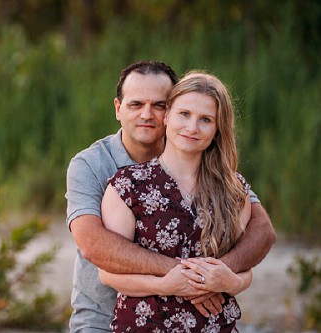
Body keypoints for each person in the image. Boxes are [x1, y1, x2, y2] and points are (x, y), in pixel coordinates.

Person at [65, 61, 276, 332]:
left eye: (159, 105)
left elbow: (262, 231)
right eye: (135, 104)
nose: (147, 114)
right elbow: (94, 246)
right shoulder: (94, 167)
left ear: (168, 110)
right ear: (118, 109)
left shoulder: (212, 170)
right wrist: (187, 277)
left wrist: (220, 276)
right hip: (104, 316)